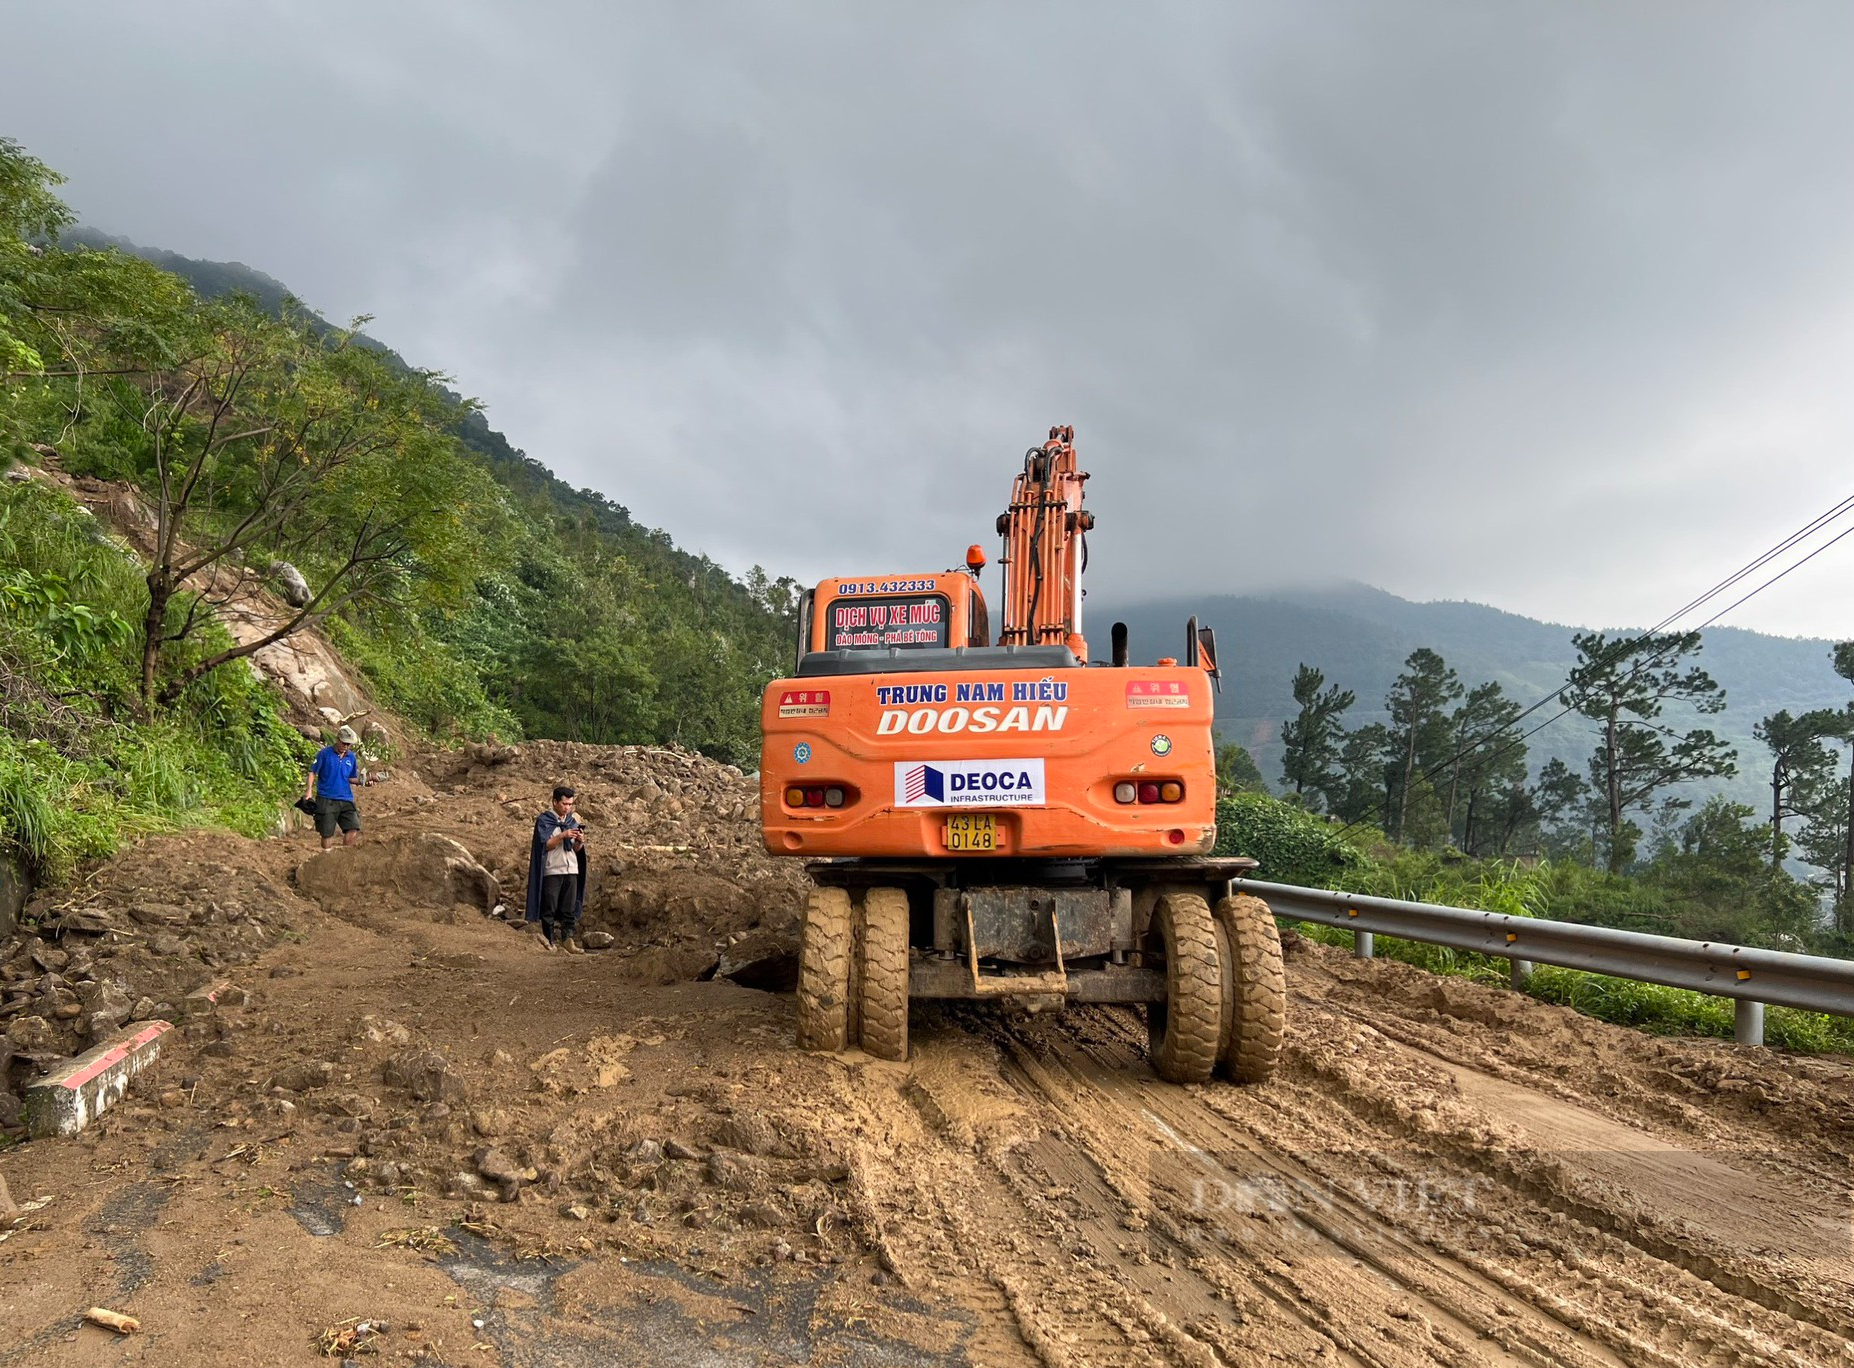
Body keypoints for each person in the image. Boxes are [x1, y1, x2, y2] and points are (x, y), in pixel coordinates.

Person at [525, 785, 587, 952]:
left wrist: (580, 840)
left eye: (570, 804)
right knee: (549, 908)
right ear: (554, 802)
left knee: (569, 909)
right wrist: (562, 835)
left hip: (571, 869)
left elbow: (575, 849)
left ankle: (568, 941)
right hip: (552, 870)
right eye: (564, 804)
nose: (567, 808)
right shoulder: (545, 821)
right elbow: (545, 846)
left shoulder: (571, 821)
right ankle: (550, 941)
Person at [305, 725, 364, 851]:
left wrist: (362, 782)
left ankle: (344, 856)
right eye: (344, 743)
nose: (346, 746)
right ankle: (326, 856)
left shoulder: (351, 757)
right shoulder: (324, 754)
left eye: (349, 744)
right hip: (326, 798)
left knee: (353, 827)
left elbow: (351, 777)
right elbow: (312, 772)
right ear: (337, 740)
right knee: (327, 833)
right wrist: (309, 790)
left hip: (346, 798)